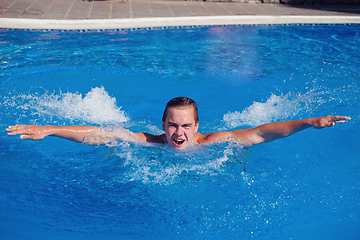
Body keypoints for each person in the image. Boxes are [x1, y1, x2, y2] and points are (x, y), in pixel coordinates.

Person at [7, 96, 350, 149]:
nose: (178, 133)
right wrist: (51, 129)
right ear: (163, 123)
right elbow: (104, 133)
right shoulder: (151, 141)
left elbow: (262, 132)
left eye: (186, 126)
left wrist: (309, 121)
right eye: (173, 125)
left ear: (197, 126)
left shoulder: (212, 141)